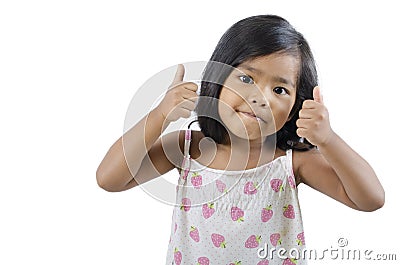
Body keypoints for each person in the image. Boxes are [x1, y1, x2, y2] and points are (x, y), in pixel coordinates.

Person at [96, 15, 384, 264]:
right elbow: (109, 178)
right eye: (246, 79)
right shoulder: (186, 148)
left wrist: (328, 139)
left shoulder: (292, 162)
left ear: (297, 106)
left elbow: (370, 199)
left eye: (280, 89)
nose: (259, 98)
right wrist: (159, 115)